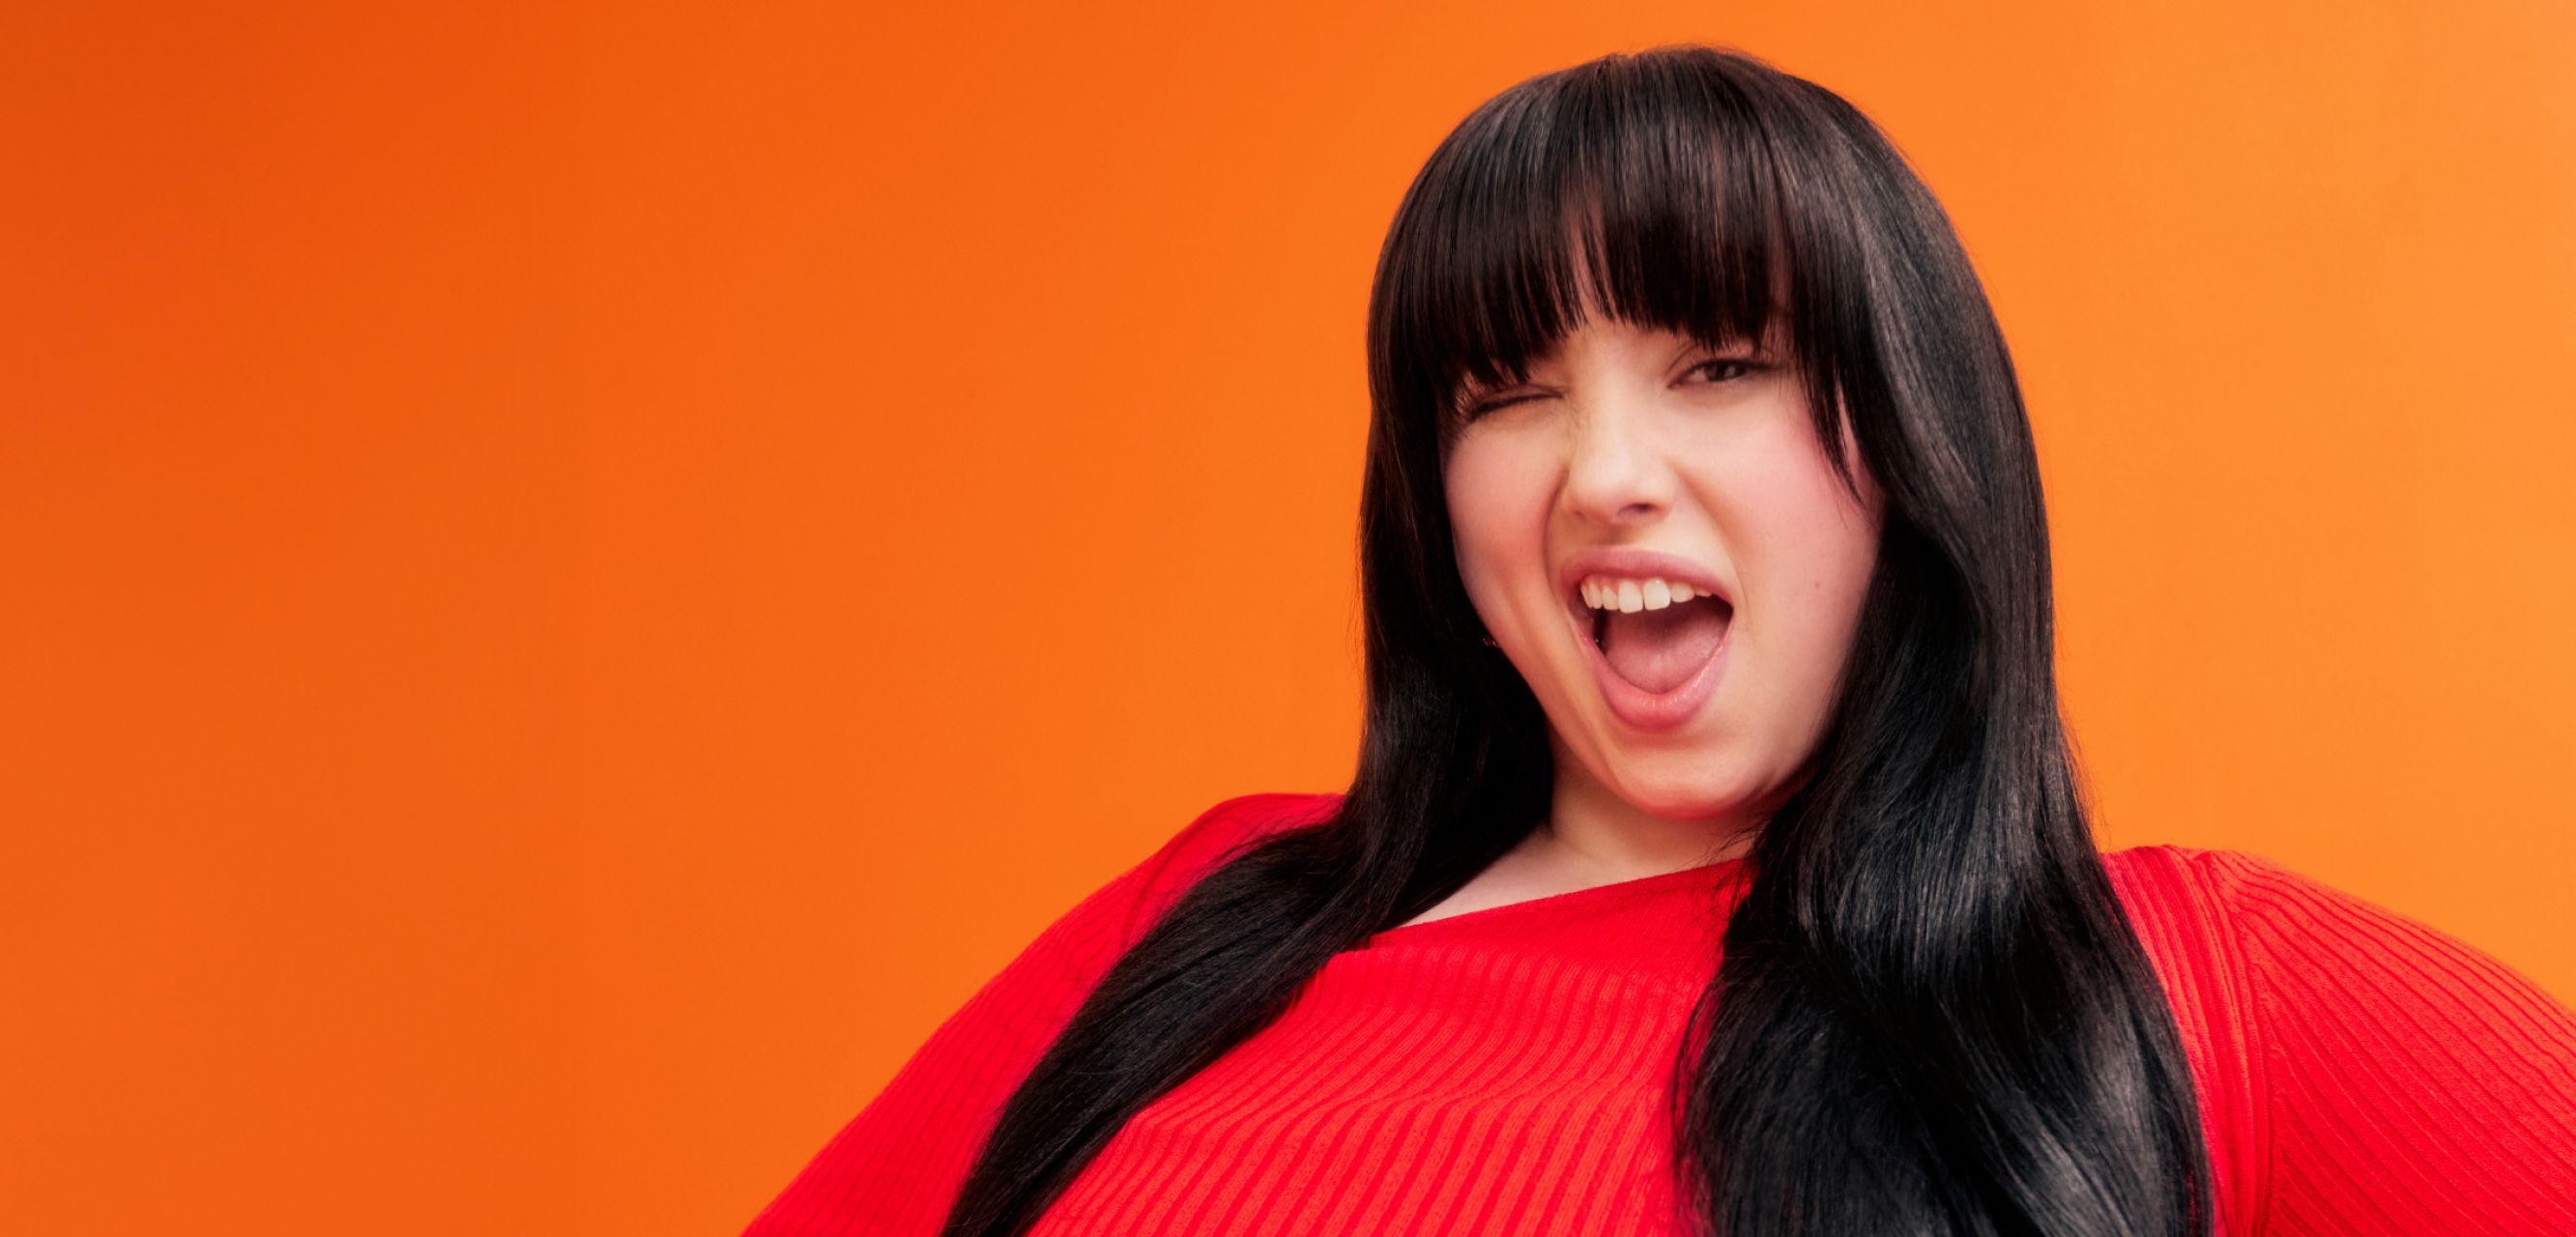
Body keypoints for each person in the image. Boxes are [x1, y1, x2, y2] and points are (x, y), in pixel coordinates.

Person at [745, 44, 2576, 1237]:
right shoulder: (1210, 921)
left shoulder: (2172, 998)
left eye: (1720, 366)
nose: (1605, 475)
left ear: (1912, 444)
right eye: (1506, 393)